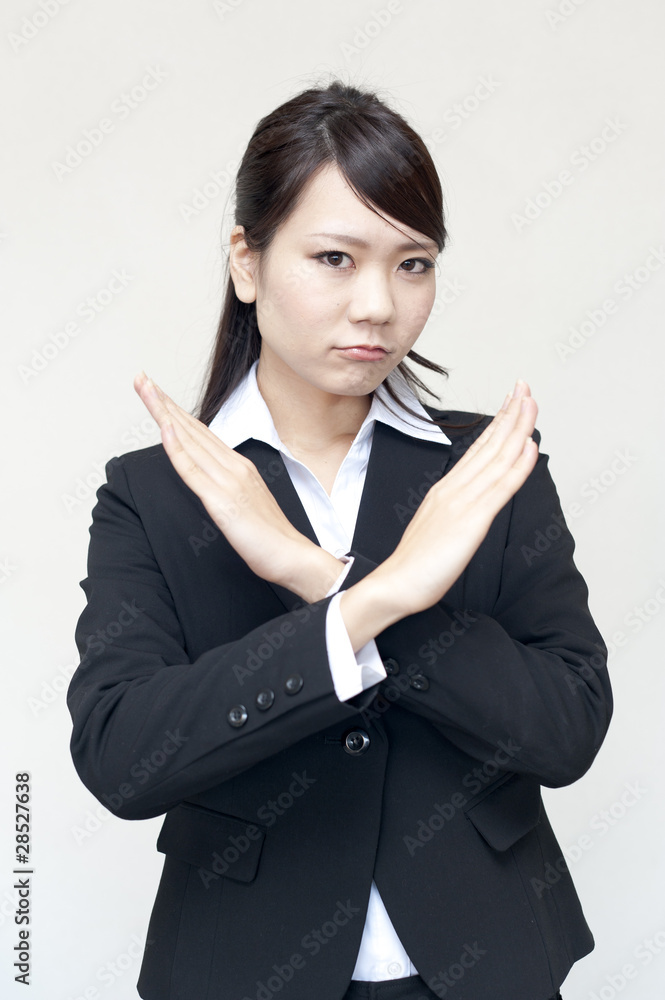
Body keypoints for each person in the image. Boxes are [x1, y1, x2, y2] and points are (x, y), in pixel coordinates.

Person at [67, 79, 613, 1000]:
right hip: (247, 969)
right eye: (334, 257)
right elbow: (125, 758)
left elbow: (564, 733)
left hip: (488, 964)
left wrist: (316, 576)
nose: (377, 306)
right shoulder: (151, 494)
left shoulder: (486, 465)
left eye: (412, 263)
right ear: (246, 260)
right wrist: (372, 601)